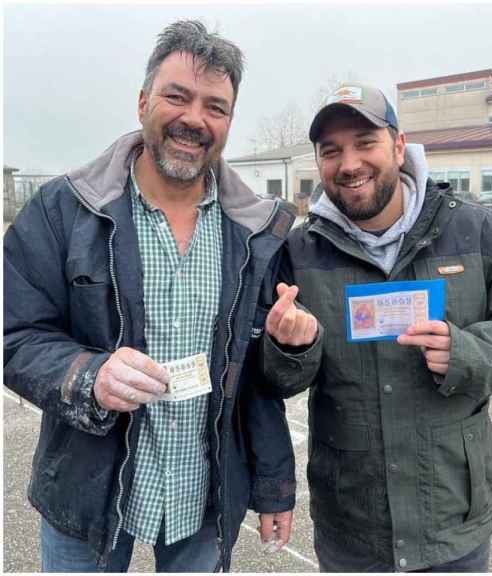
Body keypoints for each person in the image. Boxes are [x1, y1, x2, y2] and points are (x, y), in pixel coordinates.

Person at [3, 20, 308, 572]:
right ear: (143, 102)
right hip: (87, 493)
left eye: (215, 107)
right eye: (177, 96)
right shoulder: (64, 209)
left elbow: (259, 383)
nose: (194, 118)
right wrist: (88, 375)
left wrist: (274, 486)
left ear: (229, 122)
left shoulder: (257, 233)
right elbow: (16, 333)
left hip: (205, 494)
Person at [261, 82, 492, 572]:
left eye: (365, 143)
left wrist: (468, 353)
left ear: (398, 146)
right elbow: (275, 382)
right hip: (352, 527)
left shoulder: (477, 232)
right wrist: (290, 349)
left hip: (452, 525)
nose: (349, 163)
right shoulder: (297, 252)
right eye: (331, 151)